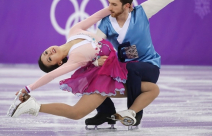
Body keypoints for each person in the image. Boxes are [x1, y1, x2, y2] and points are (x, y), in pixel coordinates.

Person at [85, 0, 208, 128]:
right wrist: (93, 60)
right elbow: (95, 44)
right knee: (91, 72)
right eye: (109, 2)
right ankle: (105, 112)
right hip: (124, 69)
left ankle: (134, 114)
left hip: (149, 66)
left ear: (127, 5)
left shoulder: (141, 13)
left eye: (114, 4)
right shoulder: (106, 23)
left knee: (132, 67)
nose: (109, 7)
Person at [11, 7, 160, 127]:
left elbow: (95, 17)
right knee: (76, 113)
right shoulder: (74, 59)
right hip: (105, 80)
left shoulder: (73, 31)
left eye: (46, 52)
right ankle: (34, 106)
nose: (49, 52)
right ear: (58, 63)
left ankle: (123, 112)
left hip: (120, 64)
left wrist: (117, 8)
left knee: (153, 88)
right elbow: (51, 75)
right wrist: (28, 88)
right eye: (49, 58)